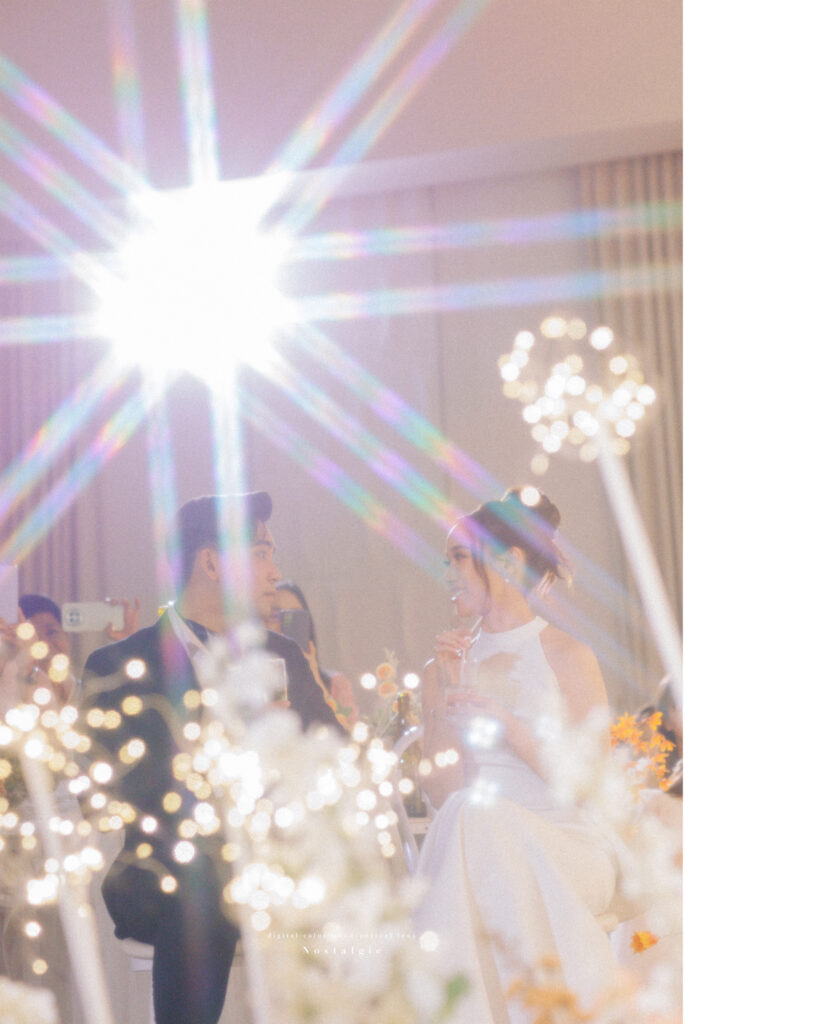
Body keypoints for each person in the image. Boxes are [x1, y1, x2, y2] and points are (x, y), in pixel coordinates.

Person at [80, 492, 342, 1024]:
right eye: (262, 553)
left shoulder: (282, 656)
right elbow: (105, 795)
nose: (275, 571)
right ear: (212, 563)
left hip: (275, 867)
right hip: (168, 874)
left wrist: (289, 749)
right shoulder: (118, 665)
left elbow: (339, 762)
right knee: (202, 876)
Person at [414, 488, 621, 1022]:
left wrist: (510, 729)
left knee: (475, 818)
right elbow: (441, 792)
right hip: (479, 840)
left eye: (459, 557)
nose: (447, 573)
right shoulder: (443, 665)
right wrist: (441, 695)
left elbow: (594, 788)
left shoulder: (568, 655)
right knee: (470, 814)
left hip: (568, 844)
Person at [268, 580, 359, 729]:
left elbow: (347, 735)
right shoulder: (249, 679)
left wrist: (313, 676)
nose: (285, 625)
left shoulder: (335, 683)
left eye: (294, 617)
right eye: (276, 616)